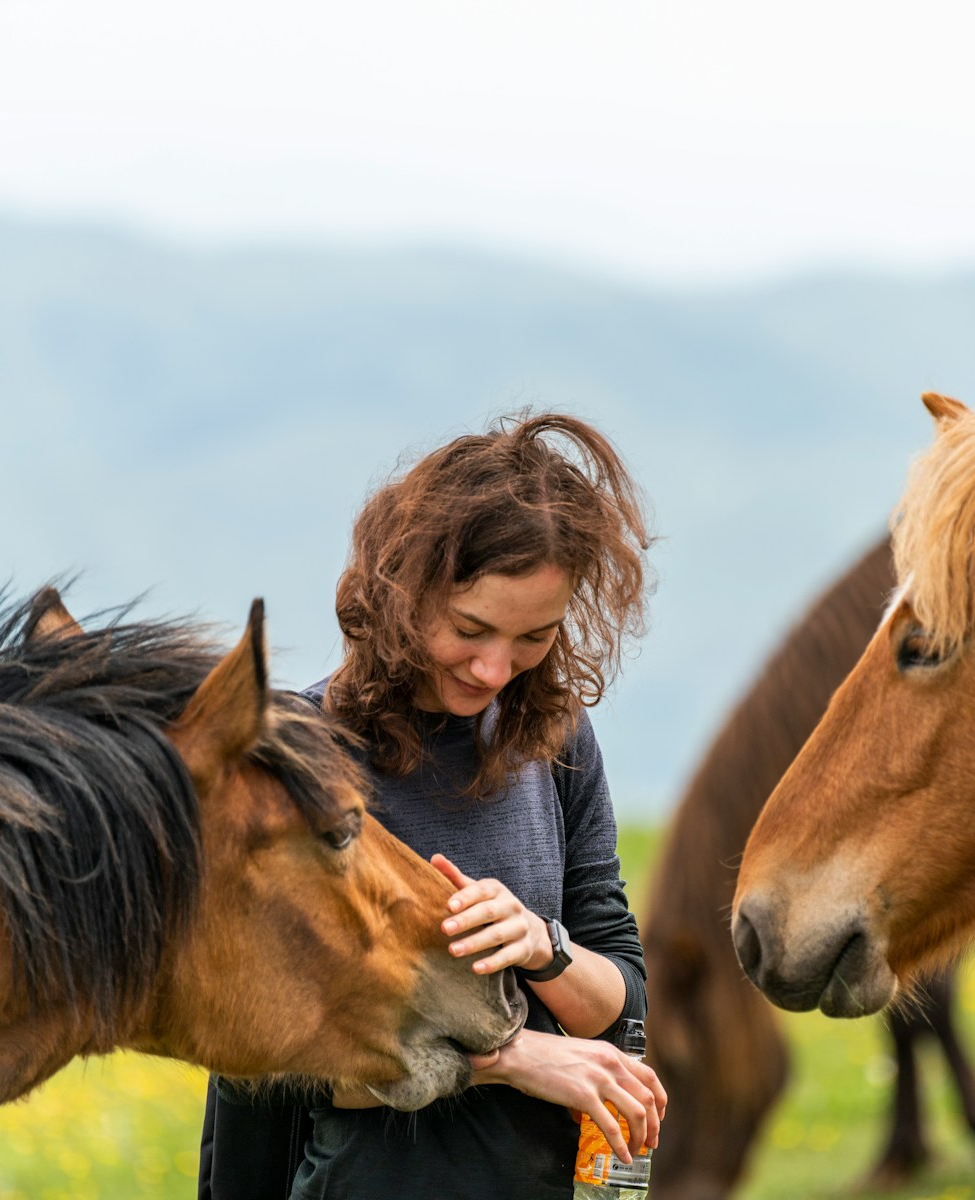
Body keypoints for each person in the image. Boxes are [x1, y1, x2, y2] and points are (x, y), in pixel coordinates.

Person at [198, 412, 666, 1200]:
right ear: (404, 590)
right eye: (470, 628)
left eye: (534, 638)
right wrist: (510, 1060)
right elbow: (270, 1063)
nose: (494, 669)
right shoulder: (300, 748)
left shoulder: (558, 741)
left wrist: (541, 944)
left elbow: (621, 1006)